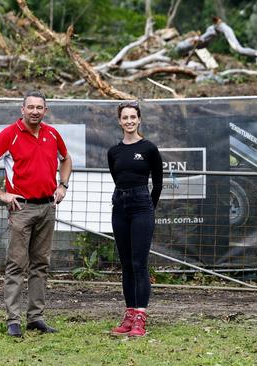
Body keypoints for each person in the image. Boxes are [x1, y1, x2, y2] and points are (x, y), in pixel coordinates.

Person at [0, 90, 72, 337]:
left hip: (48, 207)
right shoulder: (10, 134)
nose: (35, 111)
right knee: (17, 265)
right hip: (22, 208)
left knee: (41, 265)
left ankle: (35, 317)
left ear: (45, 110)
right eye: (31, 107)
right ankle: (13, 319)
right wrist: (1, 193)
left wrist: (63, 184)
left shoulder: (52, 134)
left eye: (40, 107)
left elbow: (66, 159)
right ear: (22, 109)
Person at [107, 101, 163, 337]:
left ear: (139, 120)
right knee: (127, 265)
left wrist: (148, 207)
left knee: (139, 264)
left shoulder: (149, 148)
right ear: (119, 121)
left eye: (133, 117)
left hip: (142, 206)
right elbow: (116, 177)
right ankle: (129, 315)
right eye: (125, 117)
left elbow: (158, 184)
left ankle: (141, 317)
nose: (129, 121)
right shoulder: (114, 152)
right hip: (120, 206)